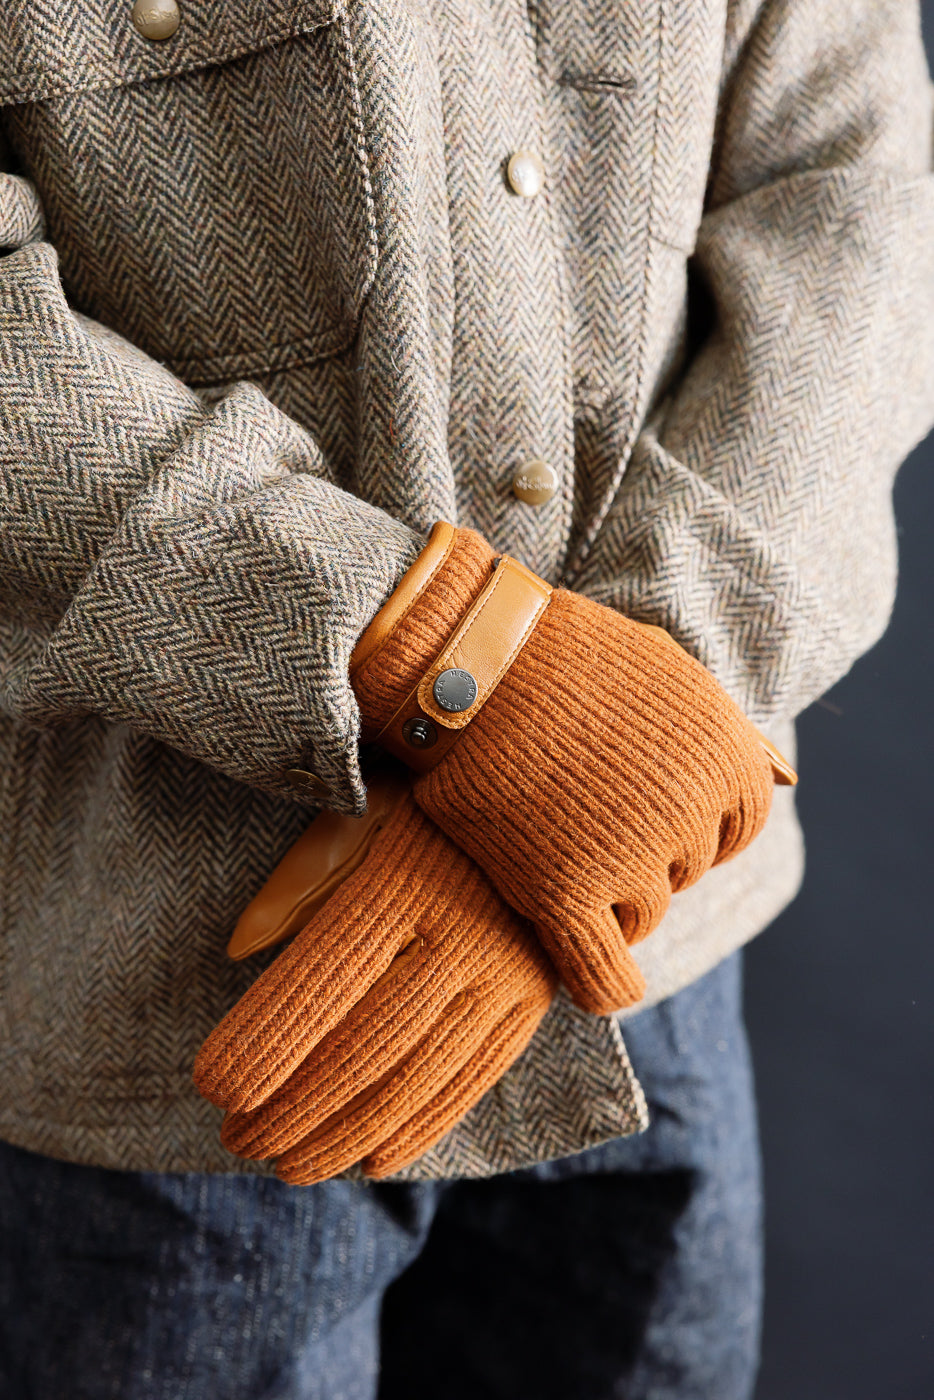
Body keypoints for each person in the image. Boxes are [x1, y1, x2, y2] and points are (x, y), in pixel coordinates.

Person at [0, 1, 931, 1396]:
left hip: (656, 961)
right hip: (172, 1015)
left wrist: (630, 724)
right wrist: (434, 648)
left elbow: (854, 196)